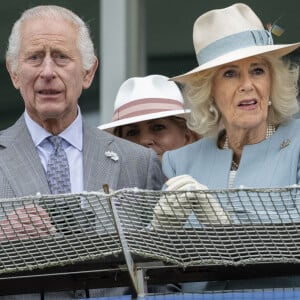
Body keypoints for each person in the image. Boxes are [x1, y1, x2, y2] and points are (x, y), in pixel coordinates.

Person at [0, 4, 164, 299]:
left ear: (88, 72)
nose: (47, 72)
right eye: (35, 58)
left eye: (61, 57)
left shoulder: (138, 163)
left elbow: (165, 278)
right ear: (13, 73)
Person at [152, 2, 300, 292]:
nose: (247, 84)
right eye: (230, 74)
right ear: (209, 89)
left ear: (271, 80)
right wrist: (159, 232)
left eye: (257, 70)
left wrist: (226, 226)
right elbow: (159, 274)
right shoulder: (179, 162)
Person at [99, 74, 200, 161]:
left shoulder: (212, 182)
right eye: (132, 133)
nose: (144, 140)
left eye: (158, 128)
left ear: (187, 137)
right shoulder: (105, 183)